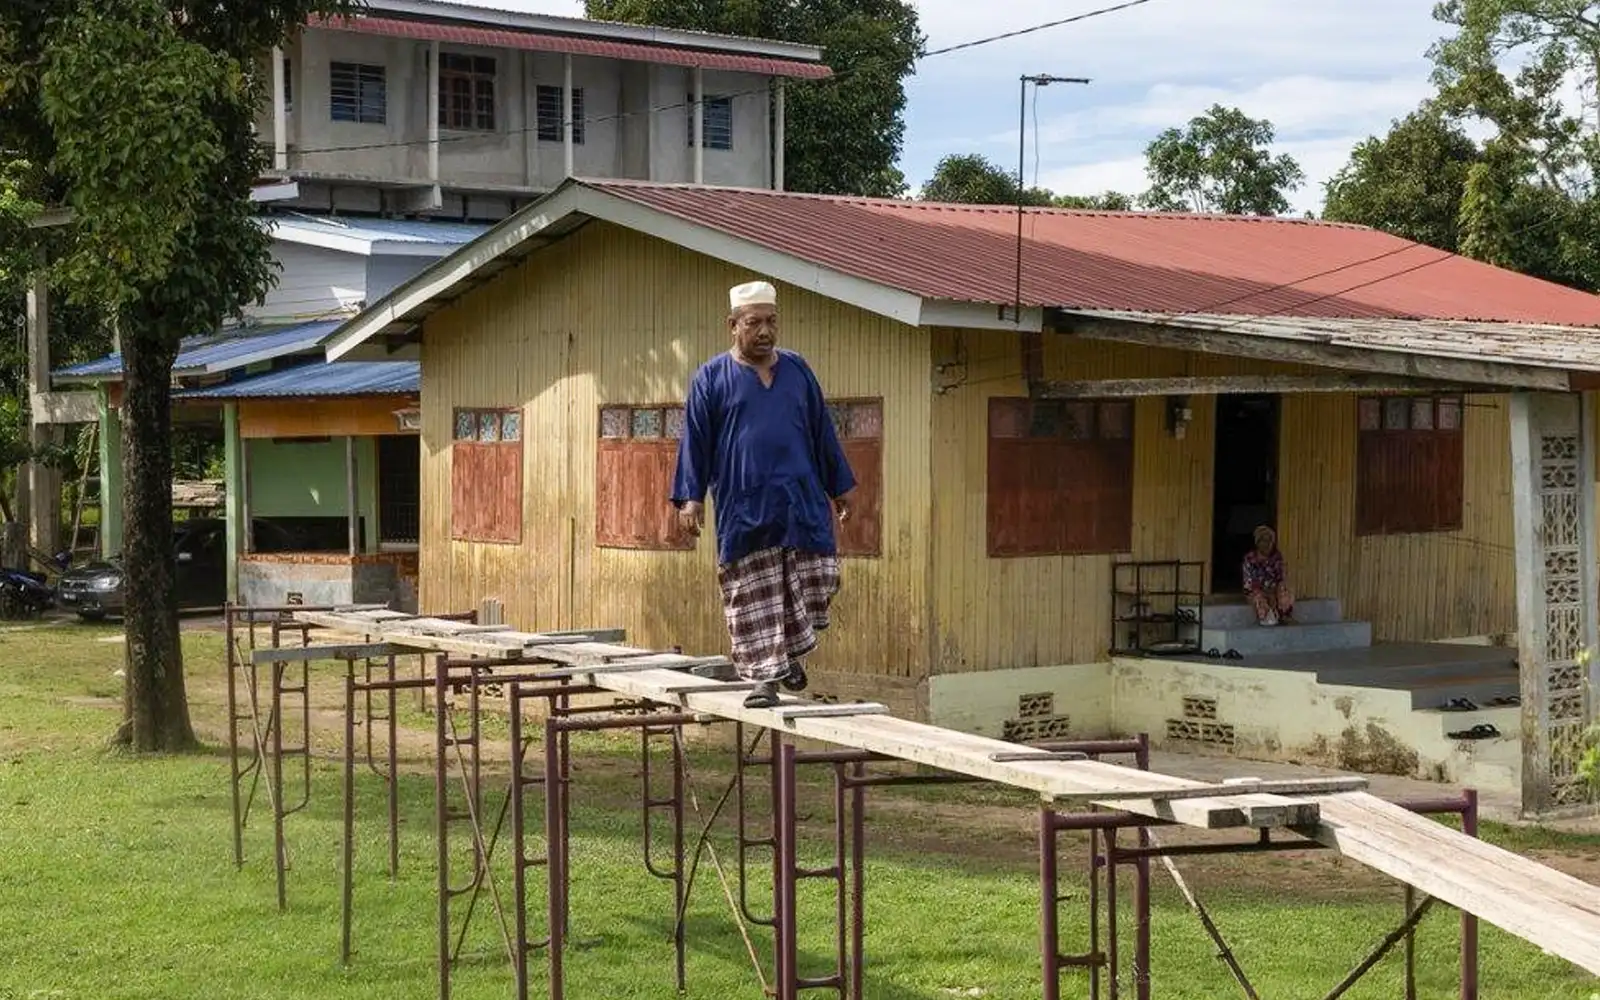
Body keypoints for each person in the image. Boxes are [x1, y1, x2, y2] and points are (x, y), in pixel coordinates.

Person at [671, 280, 856, 708]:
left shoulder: (798, 370)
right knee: (754, 594)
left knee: (817, 580)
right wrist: (691, 497)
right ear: (732, 326)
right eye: (754, 323)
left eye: (771, 322)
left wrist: (839, 486)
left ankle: (790, 655)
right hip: (745, 505)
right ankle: (763, 682)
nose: (765, 331)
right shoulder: (711, 377)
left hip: (801, 501)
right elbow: (694, 443)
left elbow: (821, 431)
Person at [1242, 525, 1293, 626]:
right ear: (1258, 542)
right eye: (1264, 541)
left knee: (1285, 593)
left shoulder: (1276, 557)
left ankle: (1284, 615)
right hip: (1256, 591)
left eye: (1270, 541)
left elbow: (1280, 578)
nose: (1267, 544)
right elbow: (1249, 585)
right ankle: (1266, 616)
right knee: (1259, 600)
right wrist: (1266, 595)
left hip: (1272, 590)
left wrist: (1276, 594)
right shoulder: (1250, 558)